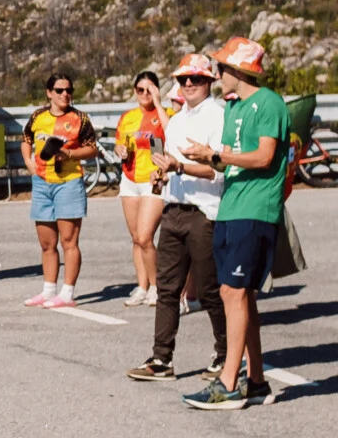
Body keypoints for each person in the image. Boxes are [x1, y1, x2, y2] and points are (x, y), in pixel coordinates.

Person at [179, 38, 287, 409]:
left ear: (239, 70)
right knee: (239, 295)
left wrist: (217, 153)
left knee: (234, 293)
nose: (217, 74)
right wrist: (204, 155)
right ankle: (255, 381)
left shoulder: (269, 103)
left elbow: (264, 155)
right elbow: (227, 162)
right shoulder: (235, 108)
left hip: (256, 209)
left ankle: (228, 382)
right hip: (231, 207)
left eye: (221, 68)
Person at [127, 54, 227, 381]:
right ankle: (161, 359)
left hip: (204, 211)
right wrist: (163, 176)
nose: (188, 85)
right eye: (183, 80)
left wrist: (180, 166)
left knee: (211, 289)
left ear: (209, 81)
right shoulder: (179, 119)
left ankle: (227, 355)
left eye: (195, 80)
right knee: (167, 288)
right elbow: (169, 163)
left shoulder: (218, 115)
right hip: (174, 207)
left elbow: (218, 170)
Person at [20, 71, 98, 307]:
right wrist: (28, 162)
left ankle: (67, 293)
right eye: (60, 90)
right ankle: (48, 289)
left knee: (68, 241)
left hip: (69, 182)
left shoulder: (80, 118)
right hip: (42, 183)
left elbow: (92, 148)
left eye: (69, 90)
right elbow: (26, 139)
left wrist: (70, 154)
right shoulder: (37, 116)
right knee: (46, 243)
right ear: (49, 93)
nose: (65, 94)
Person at [116, 71, 168, 305]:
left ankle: (157, 286)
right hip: (129, 180)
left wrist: (158, 103)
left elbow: (173, 134)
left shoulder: (165, 114)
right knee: (136, 238)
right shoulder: (127, 117)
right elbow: (120, 142)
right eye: (140, 90)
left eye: (150, 89)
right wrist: (120, 151)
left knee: (146, 237)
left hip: (153, 182)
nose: (145, 94)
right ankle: (141, 286)